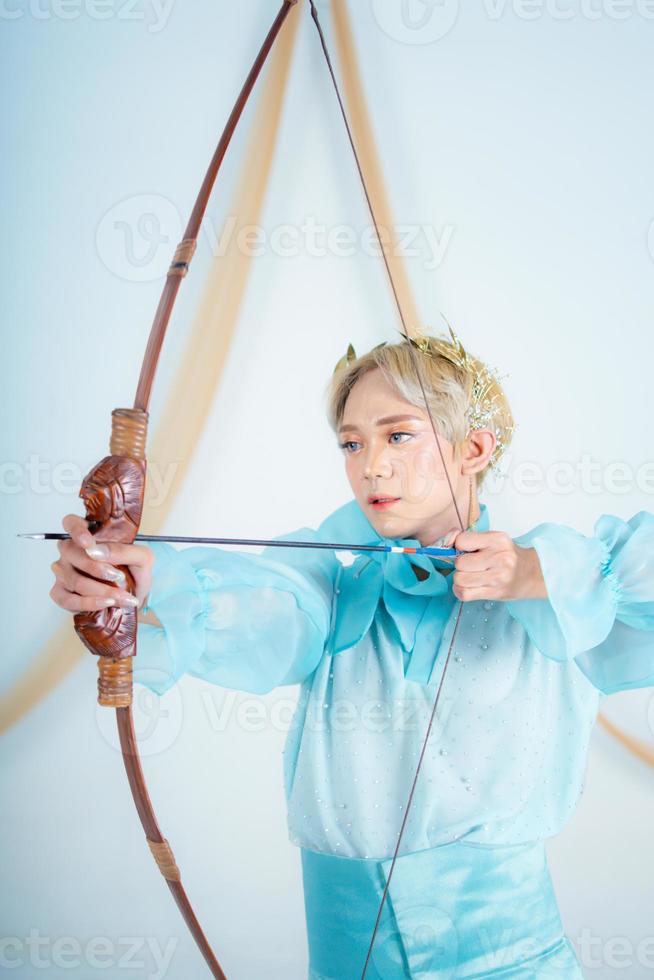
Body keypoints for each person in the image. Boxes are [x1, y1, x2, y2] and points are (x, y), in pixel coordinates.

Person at [50, 331, 654, 979]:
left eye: (399, 435)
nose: (372, 465)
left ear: (474, 448)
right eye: (351, 442)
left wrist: (533, 575)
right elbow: (262, 604)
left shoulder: (564, 593)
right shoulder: (334, 590)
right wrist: (142, 583)